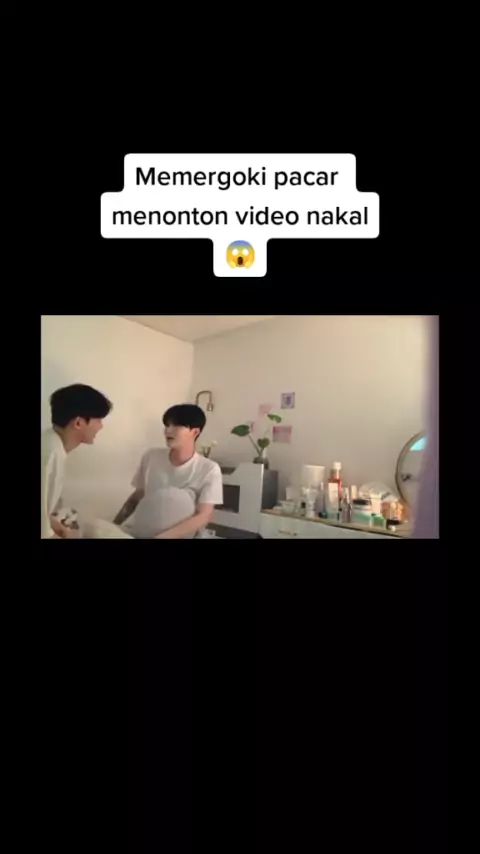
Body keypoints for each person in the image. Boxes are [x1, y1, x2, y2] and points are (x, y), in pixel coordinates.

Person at [113, 403, 223, 539]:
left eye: (176, 425)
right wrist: (114, 526)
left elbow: (204, 515)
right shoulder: (151, 456)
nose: (168, 430)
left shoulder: (209, 469)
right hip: (141, 530)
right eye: (167, 425)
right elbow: (136, 498)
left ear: (195, 432)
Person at [42, 383, 113, 539]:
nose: (101, 426)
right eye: (98, 420)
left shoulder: (50, 442)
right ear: (79, 423)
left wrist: (53, 525)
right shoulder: (52, 453)